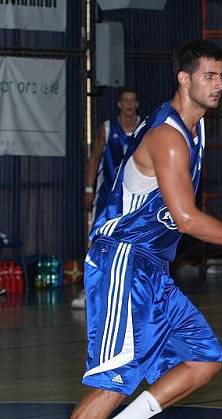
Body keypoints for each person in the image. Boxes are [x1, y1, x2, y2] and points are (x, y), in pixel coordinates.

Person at [28, 40, 222, 419]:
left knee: (204, 359)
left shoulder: (196, 128)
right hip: (123, 258)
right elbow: (186, 219)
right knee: (114, 379)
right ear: (183, 80)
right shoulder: (167, 136)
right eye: (209, 75)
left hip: (151, 267)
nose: (219, 83)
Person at [73, 87, 141, 310]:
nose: (129, 104)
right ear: (119, 104)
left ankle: (132, 292)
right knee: (98, 242)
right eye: (125, 101)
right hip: (107, 197)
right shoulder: (107, 127)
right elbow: (94, 159)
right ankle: (89, 290)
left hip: (135, 197)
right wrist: (89, 188)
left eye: (132, 100)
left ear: (136, 104)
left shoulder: (146, 128)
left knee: (134, 245)